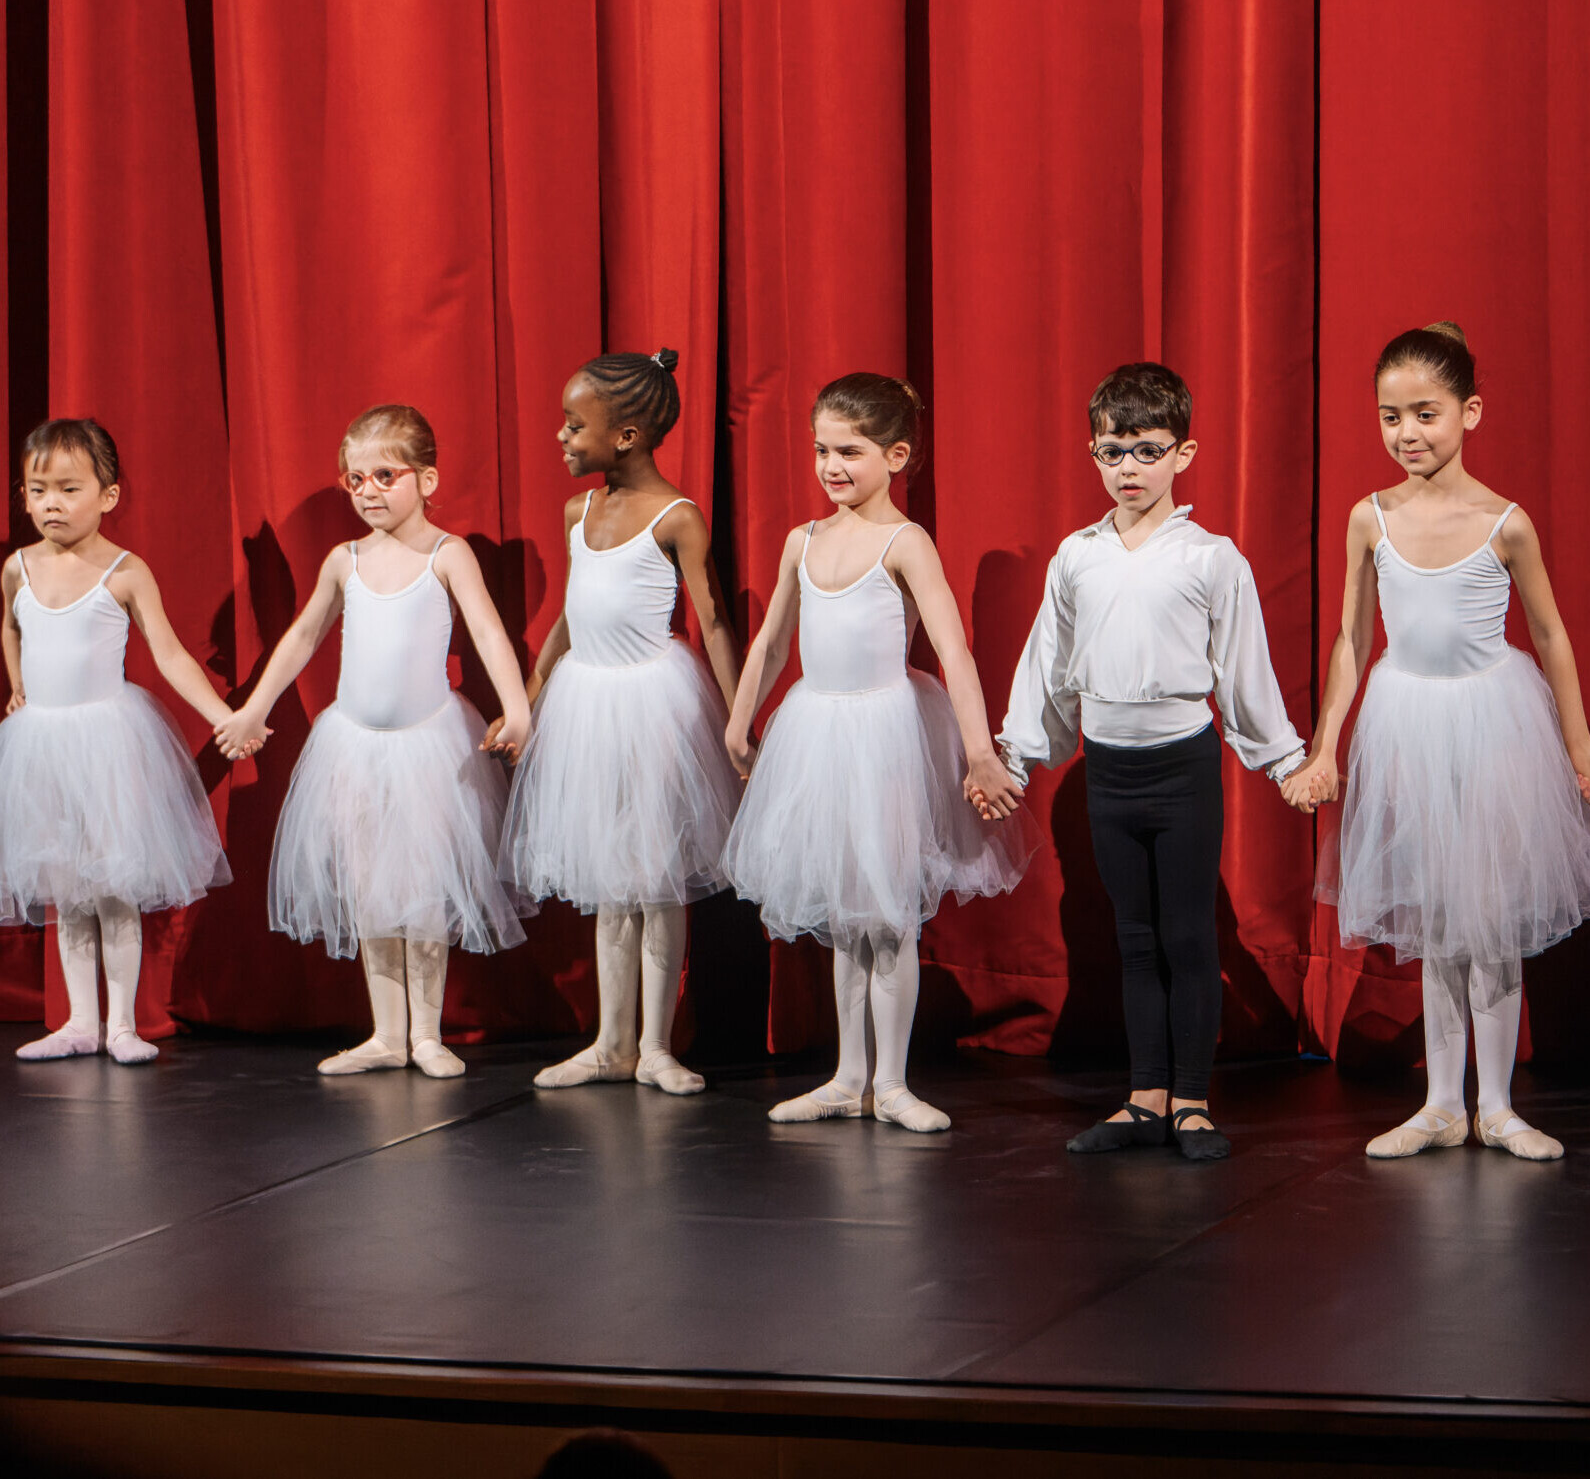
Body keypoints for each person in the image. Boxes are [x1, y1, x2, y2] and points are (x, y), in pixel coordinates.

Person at [1283, 323, 1590, 1160]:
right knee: (1440, 919)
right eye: (1390, 417)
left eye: (1426, 415)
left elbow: (1551, 635)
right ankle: (1442, 1103)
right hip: (1406, 723)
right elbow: (1351, 641)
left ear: (1470, 412)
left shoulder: (1504, 522)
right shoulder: (1368, 518)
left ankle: (1500, 1106)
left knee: (1491, 920)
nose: (1408, 434)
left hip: (1491, 723)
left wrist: (1580, 744)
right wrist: (1326, 744)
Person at [998, 362, 1308, 1161]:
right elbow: (1048, 660)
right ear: (1091, 453)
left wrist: (1283, 762)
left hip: (1181, 771)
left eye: (1145, 450)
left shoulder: (1209, 558)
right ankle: (1145, 1097)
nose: (1127, 468)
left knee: (1187, 936)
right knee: (1131, 937)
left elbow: (1245, 670)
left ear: (1184, 453)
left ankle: (1194, 1102)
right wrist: (1020, 754)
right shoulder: (1077, 557)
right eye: (1111, 451)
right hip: (1108, 771)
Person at [722, 374, 1032, 1133]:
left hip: (886, 738)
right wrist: (740, 715)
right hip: (816, 735)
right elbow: (770, 641)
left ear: (895, 455)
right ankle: (846, 1075)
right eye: (821, 449)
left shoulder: (905, 542)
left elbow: (954, 653)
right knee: (844, 912)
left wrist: (978, 752)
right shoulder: (804, 539)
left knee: (888, 914)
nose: (831, 465)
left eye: (850, 451)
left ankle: (891, 1082)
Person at [219, 405, 531, 1076]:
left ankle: (427, 1034)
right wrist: (252, 709)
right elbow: (301, 636)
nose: (367, 490)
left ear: (427, 478)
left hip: (429, 747)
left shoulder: (448, 554)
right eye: (354, 478)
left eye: (383, 475)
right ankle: (387, 1034)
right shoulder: (345, 560)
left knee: (420, 890)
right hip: (354, 746)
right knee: (370, 888)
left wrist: (517, 708)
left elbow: (486, 632)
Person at [497, 351, 742, 1097]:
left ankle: (657, 1047)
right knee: (610, 878)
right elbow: (570, 617)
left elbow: (714, 620)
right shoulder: (579, 512)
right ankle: (610, 1042)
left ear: (627, 435)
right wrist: (529, 699)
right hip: (586, 705)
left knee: (656, 877)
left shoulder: (677, 517)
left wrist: (737, 722)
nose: (562, 437)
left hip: (652, 708)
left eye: (576, 425)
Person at [0, 419, 232, 1064]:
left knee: (112, 885)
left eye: (68, 488)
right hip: (40, 747)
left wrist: (222, 715)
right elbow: (11, 630)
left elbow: (172, 655)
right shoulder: (17, 568)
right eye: (36, 488)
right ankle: (78, 1021)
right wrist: (17, 686)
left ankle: (122, 1024)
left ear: (108, 495)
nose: (50, 502)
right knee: (66, 886)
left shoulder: (126, 573)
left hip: (107, 742)